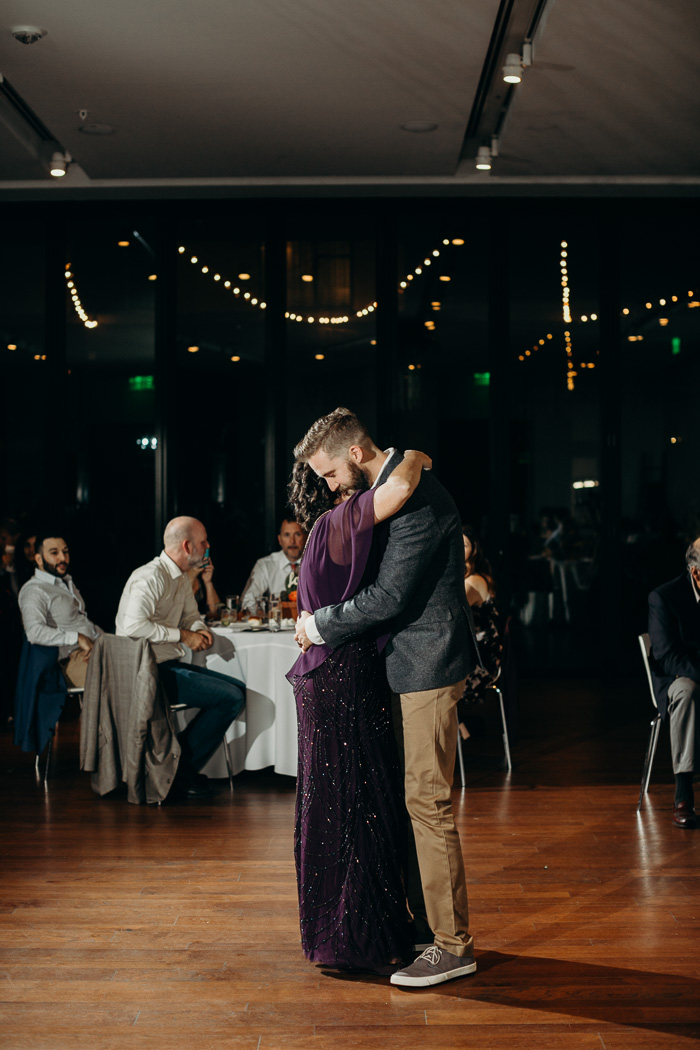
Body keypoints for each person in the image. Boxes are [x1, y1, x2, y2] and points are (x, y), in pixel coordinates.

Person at [294, 407, 478, 988]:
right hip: (406, 666)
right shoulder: (398, 479)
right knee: (409, 802)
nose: (326, 487)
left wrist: (320, 625)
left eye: (326, 474)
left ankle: (453, 947)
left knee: (427, 803)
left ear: (353, 453)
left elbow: (391, 595)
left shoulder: (414, 497)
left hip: (428, 662)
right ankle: (426, 932)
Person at [287, 447, 431, 972]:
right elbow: (396, 490)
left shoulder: (320, 532)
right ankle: (360, 939)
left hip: (327, 676)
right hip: (344, 675)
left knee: (336, 801)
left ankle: (341, 935)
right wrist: (413, 456)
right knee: (359, 802)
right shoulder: (344, 518)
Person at [115, 516, 245, 799]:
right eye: (203, 542)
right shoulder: (150, 576)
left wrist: (200, 629)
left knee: (238, 691)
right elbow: (132, 627)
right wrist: (184, 636)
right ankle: (180, 771)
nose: (208, 546)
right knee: (231, 697)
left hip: (168, 665)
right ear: (187, 546)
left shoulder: (182, 578)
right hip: (146, 672)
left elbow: (191, 617)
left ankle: (176, 767)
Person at [648, 538, 700, 828]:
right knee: (688, 692)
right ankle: (683, 793)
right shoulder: (664, 597)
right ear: (696, 573)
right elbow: (668, 657)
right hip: (678, 677)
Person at [17, 530, 101, 688]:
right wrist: (77, 637)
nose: (63, 558)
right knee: (116, 684)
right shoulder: (34, 590)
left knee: (141, 666)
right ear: (39, 559)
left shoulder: (66, 582)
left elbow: (82, 620)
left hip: (96, 649)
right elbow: (34, 632)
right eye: (54, 553)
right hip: (70, 659)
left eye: (65, 552)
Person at [457, 527, 503, 737]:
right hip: (468, 654)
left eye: (464, 544)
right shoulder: (462, 576)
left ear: (474, 550)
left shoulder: (474, 581)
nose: (458, 547)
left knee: (436, 683)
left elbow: (452, 613)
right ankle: (461, 731)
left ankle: (460, 733)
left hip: (482, 661)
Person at [241, 518, 306, 612]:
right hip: (275, 623)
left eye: (297, 534)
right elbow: (248, 602)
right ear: (280, 540)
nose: (292, 541)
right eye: (287, 535)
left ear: (305, 537)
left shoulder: (317, 565)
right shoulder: (265, 565)